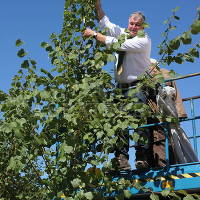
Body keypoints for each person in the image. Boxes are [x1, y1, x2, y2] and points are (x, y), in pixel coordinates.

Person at [82, 0, 170, 170]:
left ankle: (141, 157)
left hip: (137, 86)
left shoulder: (143, 40)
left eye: (137, 24)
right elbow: (105, 22)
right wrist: (97, 5)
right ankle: (121, 159)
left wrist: (93, 35)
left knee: (138, 121)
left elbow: (115, 44)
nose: (133, 26)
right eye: (131, 23)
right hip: (120, 87)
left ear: (143, 26)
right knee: (118, 123)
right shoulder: (123, 33)